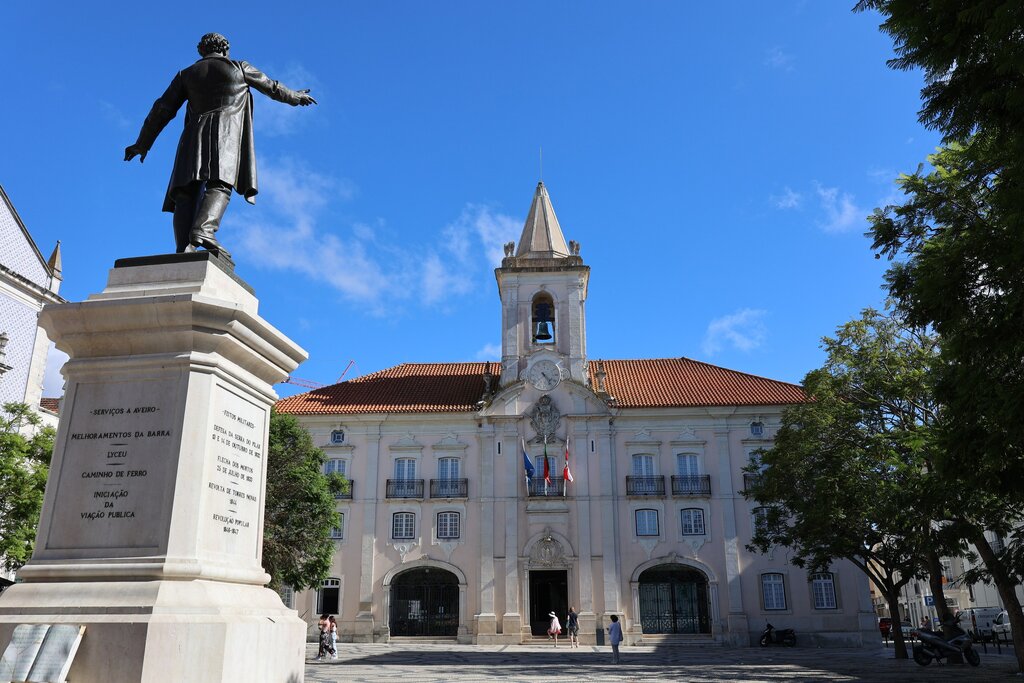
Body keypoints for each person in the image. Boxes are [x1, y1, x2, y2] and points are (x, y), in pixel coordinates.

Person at [125, 33, 317, 258]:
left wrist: (142, 143)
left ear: (202, 51)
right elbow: (272, 87)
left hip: (192, 136)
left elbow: (162, 110)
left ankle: (184, 247)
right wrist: (294, 96)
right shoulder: (239, 67)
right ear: (225, 50)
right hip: (225, 135)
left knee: (185, 191)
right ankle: (204, 230)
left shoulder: (186, 75)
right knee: (219, 184)